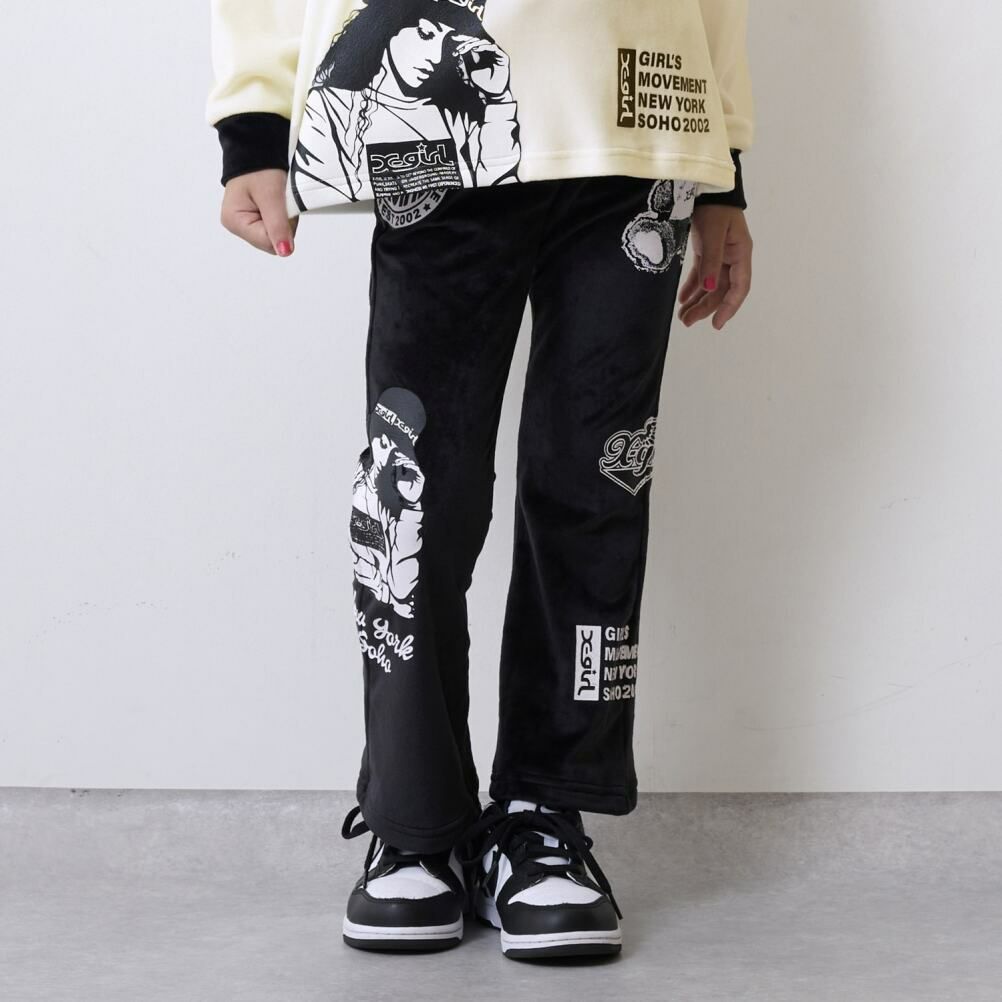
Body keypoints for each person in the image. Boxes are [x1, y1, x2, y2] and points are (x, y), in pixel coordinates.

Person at [206, 0, 755, 961]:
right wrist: (253, 118)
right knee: (412, 489)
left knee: (596, 493)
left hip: (641, 115)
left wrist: (724, 167)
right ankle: (415, 821)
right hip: (428, 130)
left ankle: (546, 813)